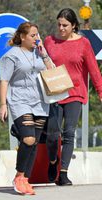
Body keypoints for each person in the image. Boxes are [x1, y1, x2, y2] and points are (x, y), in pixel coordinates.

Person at [44, 8, 102, 186]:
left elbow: (93, 70)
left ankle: (63, 173)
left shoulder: (83, 44)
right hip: (54, 93)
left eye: (65, 25)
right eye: (59, 24)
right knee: (53, 134)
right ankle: (53, 161)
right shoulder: (49, 41)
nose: (61, 28)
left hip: (75, 92)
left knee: (69, 133)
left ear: (74, 25)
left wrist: (101, 92)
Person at [0, 22, 52, 195]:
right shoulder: (11, 56)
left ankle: (26, 179)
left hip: (40, 102)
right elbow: (4, 80)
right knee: (28, 139)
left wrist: (44, 54)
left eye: (37, 35)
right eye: (33, 35)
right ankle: (19, 176)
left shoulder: (39, 53)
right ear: (22, 37)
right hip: (20, 101)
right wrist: (3, 104)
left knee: (34, 142)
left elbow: (52, 71)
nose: (37, 38)